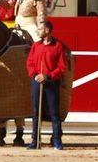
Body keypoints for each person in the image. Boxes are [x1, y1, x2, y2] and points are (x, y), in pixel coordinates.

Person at [26, 20, 69, 151]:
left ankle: (56, 140)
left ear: (47, 31)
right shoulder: (35, 46)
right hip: (36, 81)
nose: (37, 31)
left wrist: (48, 76)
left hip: (51, 82)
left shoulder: (58, 46)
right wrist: (35, 75)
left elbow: (61, 67)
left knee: (54, 112)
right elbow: (30, 62)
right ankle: (35, 140)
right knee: (35, 112)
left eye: (40, 29)